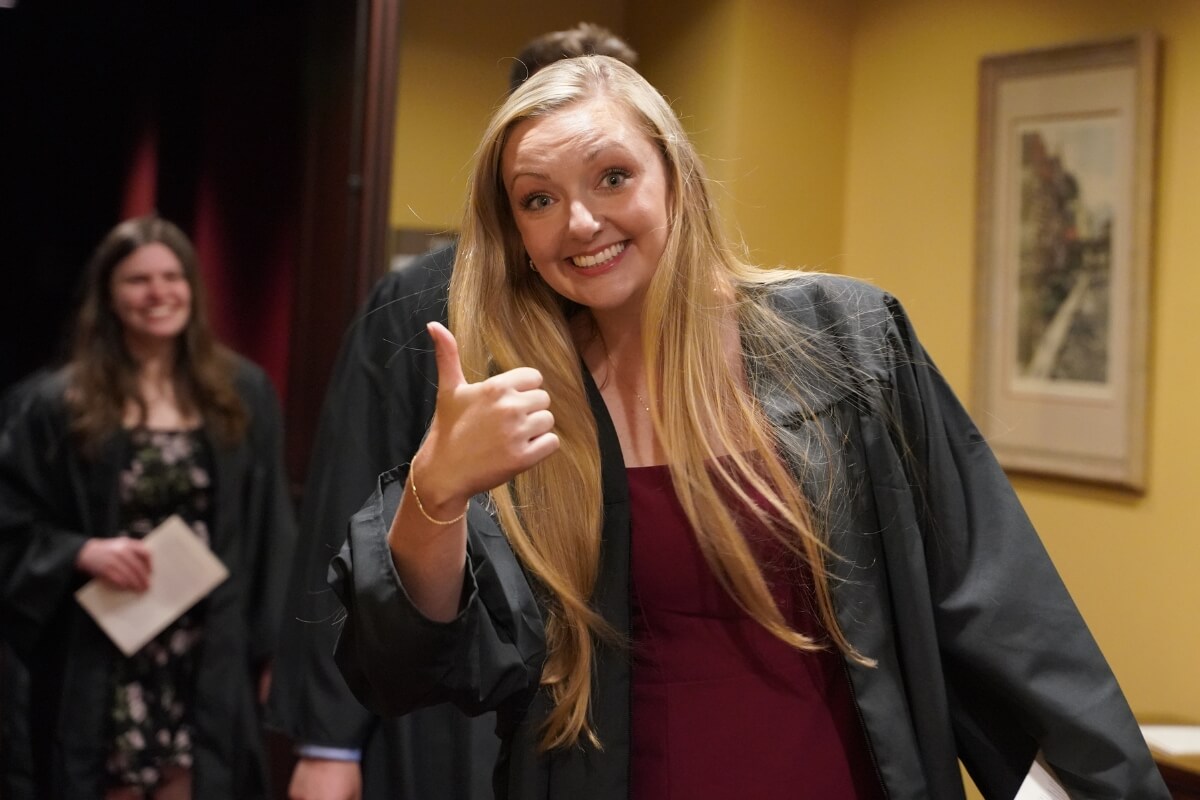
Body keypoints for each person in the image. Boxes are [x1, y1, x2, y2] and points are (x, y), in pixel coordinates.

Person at [330, 55, 1170, 800]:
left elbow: (997, 606)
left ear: (675, 177)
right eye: (539, 200)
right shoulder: (527, 406)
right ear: (515, 233)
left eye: (612, 177)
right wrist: (436, 490)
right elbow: (409, 664)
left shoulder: (846, 343)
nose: (580, 222)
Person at [264, 23, 638, 800]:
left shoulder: (665, 310)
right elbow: (349, 495)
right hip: (462, 686)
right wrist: (328, 744)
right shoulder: (420, 302)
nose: (583, 214)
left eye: (609, 169)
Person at [0, 215, 296, 799]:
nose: (159, 293)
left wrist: (275, 651)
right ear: (108, 296)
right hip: (102, 649)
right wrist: (80, 551)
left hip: (206, 652)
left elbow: (268, 531)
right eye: (138, 280)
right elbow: (10, 512)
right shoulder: (56, 403)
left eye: (172, 276)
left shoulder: (243, 394)